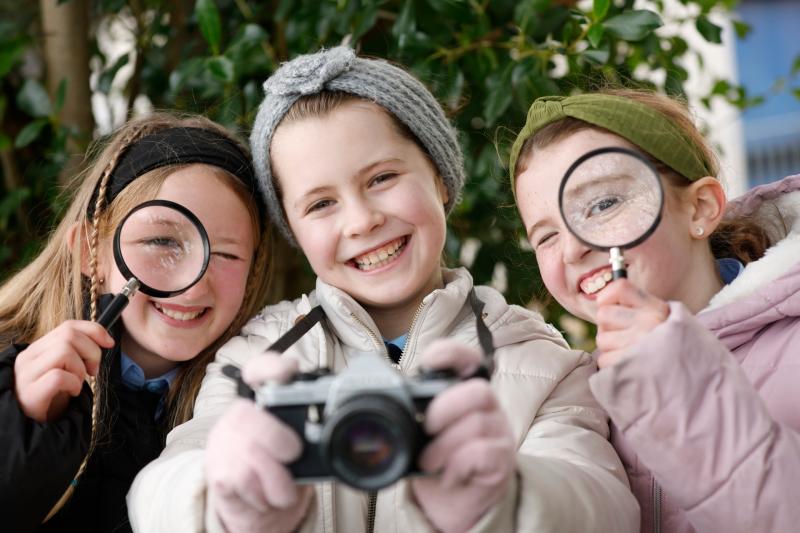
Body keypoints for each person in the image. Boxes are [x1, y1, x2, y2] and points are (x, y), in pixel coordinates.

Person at [127, 46, 639, 533]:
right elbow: (162, 488)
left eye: (382, 178)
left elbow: (602, 501)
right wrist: (224, 499)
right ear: (293, 230)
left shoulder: (542, 362)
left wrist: (504, 496)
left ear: (440, 178)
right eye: (320, 204)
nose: (362, 220)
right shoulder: (258, 355)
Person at [509, 89, 800, 532]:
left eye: (603, 204)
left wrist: (680, 389)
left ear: (700, 208)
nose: (571, 248)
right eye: (545, 236)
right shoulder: (582, 405)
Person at [0, 113, 273, 532]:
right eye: (161, 241)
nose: (192, 285)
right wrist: (18, 433)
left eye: (225, 255)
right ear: (89, 251)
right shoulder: (9, 370)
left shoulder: (250, 399)